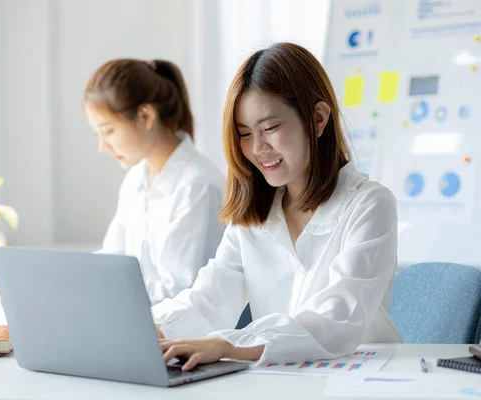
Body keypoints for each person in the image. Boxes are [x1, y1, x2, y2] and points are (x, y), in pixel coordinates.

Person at [152, 43, 402, 371]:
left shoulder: (369, 204)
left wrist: (228, 344)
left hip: (364, 377)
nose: (258, 148)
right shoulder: (252, 216)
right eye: (244, 133)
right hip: (282, 380)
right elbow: (209, 299)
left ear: (318, 118)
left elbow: (338, 317)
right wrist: (146, 331)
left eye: (270, 128)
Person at [82, 59, 225, 305]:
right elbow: (112, 259)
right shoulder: (137, 178)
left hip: (179, 330)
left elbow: (178, 290)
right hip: (137, 317)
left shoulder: (197, 184)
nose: (102, 147)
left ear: (145, 116)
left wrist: (102, 293)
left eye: (108, 131)